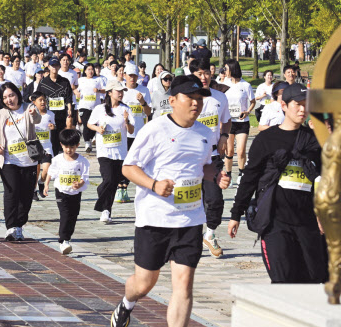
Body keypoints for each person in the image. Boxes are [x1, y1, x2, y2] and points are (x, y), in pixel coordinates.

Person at [109, 75, 230, 327]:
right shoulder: (155, 129)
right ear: (173, 100)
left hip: (190, 219)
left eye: (200, 99)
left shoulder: (205, 133)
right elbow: (128, 168)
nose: (196, 104)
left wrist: (216, 176)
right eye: (191, 98)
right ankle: (126, 303)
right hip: (155, 218)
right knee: (144, 284)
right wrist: (154, 184)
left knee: (184, 285)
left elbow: (204, 168)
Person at [228, 83, 327, 283]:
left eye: (305, 105)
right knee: (283, 281)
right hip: (274, 221)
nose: (302, 109)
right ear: (283, 105)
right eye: (297, 104)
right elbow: (250, 178)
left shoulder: (314, 141)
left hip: (307, 221)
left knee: (314, 281)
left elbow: (328, 180)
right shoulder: (266, 139)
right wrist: (236, 214)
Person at [188, 59, 231, 258]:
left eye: (206, 73)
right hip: (190, 157)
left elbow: (227, 121)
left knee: (215, 199)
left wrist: (223, 136)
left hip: (212, 157)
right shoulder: (185, 99)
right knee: (190, 200)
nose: (204, 77)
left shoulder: (220, 97)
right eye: (199, 74)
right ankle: (187, 238)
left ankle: (211, 234)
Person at [0, 82, 41, 241]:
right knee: (11, 193)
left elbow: (37, 119)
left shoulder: (28, 108)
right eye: (5, 97)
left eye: (11, 95)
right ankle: (10, 227)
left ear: (17, 94)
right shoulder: (0, 114)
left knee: (26, 196)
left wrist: (33, 113)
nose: (9, 100)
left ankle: (19, 226)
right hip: (9, 160)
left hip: (29, 160)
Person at [88, 80, 134, 224]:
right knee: (109, 180)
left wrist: (126, 121)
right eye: (118, 91)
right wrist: (98, 129)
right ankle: (104, 205)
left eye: (122, 91)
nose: (120, 94)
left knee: (113, 182)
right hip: (104, 151)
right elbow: (90, 124)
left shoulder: (125, 109)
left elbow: (131, 131)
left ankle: (107, 210)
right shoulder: (100, 108)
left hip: (120, 151)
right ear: (109, 93)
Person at [44, 129, 91, 255]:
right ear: (61, 145)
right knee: (65, 213)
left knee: (73, 215)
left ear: (77, 146)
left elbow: (85, 177)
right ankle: (63, 240)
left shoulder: (82, 161)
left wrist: (80, 183)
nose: (69, 150)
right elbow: (51, 172)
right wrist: (46, 185)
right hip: (61, 191)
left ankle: (68, 237)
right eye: (66, 147)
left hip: (75, 193)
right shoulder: (58, 159)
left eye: (72, 147)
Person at [116, 65, 152, 202]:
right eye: (130, 75)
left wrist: (142, 102)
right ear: (124, 75)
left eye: (135, 76)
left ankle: (124, 186)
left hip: (139, 132)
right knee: (122, 161)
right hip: (123, 131)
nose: (132, 78)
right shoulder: (120, 89)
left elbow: (148, 113)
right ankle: (120, 186)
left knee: (134, 161)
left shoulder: (144, 90)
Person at [222, 60, 255, 187]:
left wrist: (247, 111)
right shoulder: (224, 84)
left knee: (240, 151)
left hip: (242, 122)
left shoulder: (245, 85)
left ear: (232, 69)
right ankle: (228, 174)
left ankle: (241, 173)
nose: (225, 71)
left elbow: (252, 102)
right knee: (229, 151)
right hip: (229, 122)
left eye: (226, 69)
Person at [37, 57, 76, 155]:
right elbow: (37, 96)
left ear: (59, 67)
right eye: (52, 66)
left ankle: (58, 156)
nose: (54, 67)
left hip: (61, 115)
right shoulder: (43, 82)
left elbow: (68, 97)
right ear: (49, 67)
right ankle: (49, 158)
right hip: (48, 115)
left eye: (56, 65)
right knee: (51, 138)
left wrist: (70, 109)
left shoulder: (65, 81)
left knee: (60, 138)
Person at [29, 91, 56, 200]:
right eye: (40, 100)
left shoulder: (51, 114)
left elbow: (53, 125)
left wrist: (52, 127)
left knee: (47, 169)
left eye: (44, 100)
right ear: (34, 102)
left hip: (47, 147)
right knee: (35, 171)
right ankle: (33, 191)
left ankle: (41, 183)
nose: (43, 102)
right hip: (34, 148)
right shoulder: (30, 114)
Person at [77, 64, 105, 152]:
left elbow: (105, 90)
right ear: (85, 71)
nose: (91, 71)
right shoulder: (81, 80)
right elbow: (74, 88)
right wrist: (76, 93)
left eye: (92, 69)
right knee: (86, 124)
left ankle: (91, 138)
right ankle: (87, 143)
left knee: (93, 125)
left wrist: (99, 91)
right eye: (88, 69)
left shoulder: (98, 79)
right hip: (84, 106)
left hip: (95, 107)